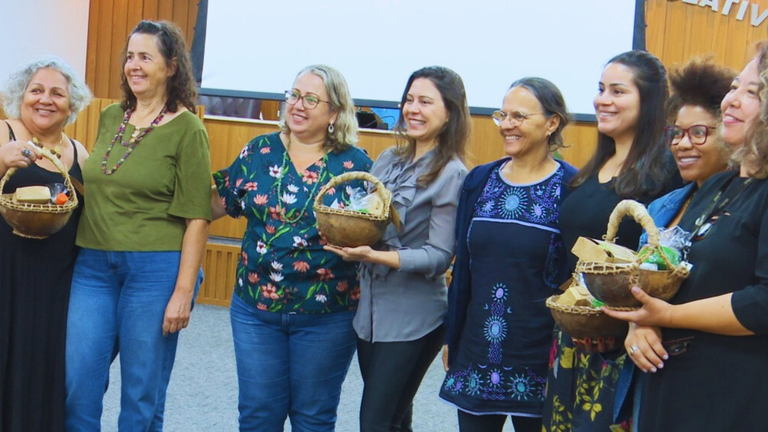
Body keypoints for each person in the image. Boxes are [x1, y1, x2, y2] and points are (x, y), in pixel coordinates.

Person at [604, 45, 768, 431]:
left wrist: (669, 316)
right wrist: (640, 323)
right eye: (733, 87)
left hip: (735, 395)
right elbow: (664, 269)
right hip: (673, 388)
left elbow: (763, 301)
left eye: (752, 92)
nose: (731, 100)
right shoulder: (718, 185)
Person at [65, 20, 212, 431]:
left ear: (170, 66)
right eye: (130, 56)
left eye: (145, 57)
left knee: (141, 390)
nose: (134, 65)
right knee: (78, 379)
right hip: (93, 263)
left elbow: (198, 217)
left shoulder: (188, 129)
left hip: (156, 270)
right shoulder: (112, 116)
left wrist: (183, 291)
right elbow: (101, 181)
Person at [212, 64, 372, 432]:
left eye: (312, 99)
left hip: (326, 315)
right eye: (294, 95)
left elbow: (371, 233)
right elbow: (217, 202)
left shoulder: (355, 165)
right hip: (256, 310)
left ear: (334, 112)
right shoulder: (258, 151)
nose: (298, 105)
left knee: (312, 419)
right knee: (257, 416)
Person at [542, 50, 682, 432]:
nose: (602, 100)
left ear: (649, 101)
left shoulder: (666, 173)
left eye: (618, 91)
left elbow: (666, 263)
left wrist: (627, 325)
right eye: (601, 89)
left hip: (623, 339)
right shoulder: (592, 169)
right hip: (576, 333)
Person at [325, 66, 469, 432]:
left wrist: (374, 255)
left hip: (414, 320)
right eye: (409, 100)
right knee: (395, 421)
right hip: (370, 315)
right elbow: (368, 217)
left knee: (375, 422)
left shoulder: (452, 173)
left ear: (449, 112)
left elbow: (439, 256)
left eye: (425, 101)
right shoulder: (388, 158)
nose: (413, 109)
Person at [439, 77, 577, 432]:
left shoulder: (573, 189)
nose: (507, 125)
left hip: (540, 358)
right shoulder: (479, 181)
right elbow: (464, 269)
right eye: (503, 115)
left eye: (520, 116)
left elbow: (576, 281)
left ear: (552, 123)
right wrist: (451, 338)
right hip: (475, 354)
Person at [0, 56, 91, 432]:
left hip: (58, 285)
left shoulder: (80, 152)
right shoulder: (4, 133)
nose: (45, 99)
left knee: (47, 369)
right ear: (21, 96)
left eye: (57, 93)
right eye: (36, 90)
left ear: (72, 105)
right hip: (7, 277)